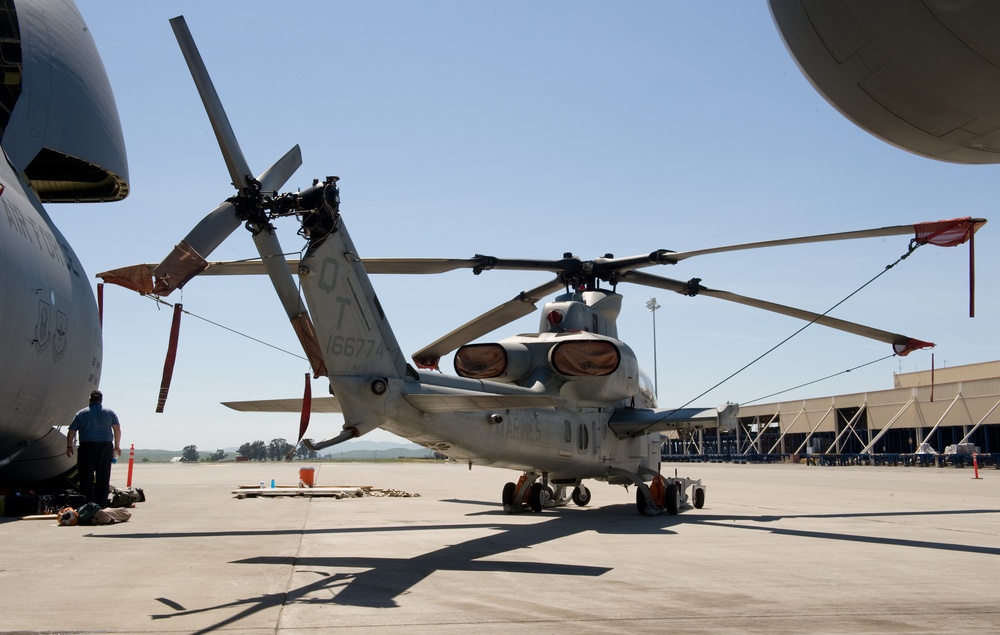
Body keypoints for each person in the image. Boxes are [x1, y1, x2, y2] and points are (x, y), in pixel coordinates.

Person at [66, 390, 121, 507]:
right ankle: (101, 503)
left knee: (86, 475)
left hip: (87, 447)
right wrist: (117, 446)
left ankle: (88, 503)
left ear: (90, 399)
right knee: (104, 475)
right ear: (101, 400)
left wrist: (69, 446)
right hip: (105, 446)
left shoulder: (81, 413)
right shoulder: (110, 412)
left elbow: (71, 431)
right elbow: (117, 429)